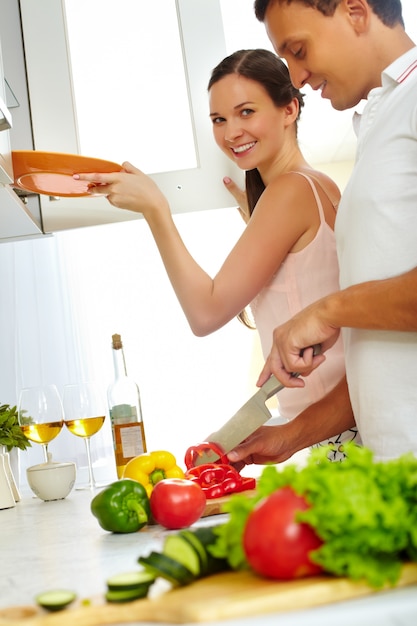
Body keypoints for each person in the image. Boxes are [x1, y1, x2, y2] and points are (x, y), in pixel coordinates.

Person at [76, 49, 359, 461]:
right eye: (219, 119)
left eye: (246, 112)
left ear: (289, 109)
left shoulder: (291, 191)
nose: (231, 132)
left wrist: (156, 210)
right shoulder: (316, 186)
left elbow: (205, 315)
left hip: (338, 440)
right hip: (339, 428)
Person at [226, 0, 417, 466]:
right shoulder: (383, 118)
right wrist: (291, 436)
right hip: (393, 477)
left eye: (298, 49)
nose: (295, 76)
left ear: (355, 11)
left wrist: (329, 310)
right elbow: (384, 355)